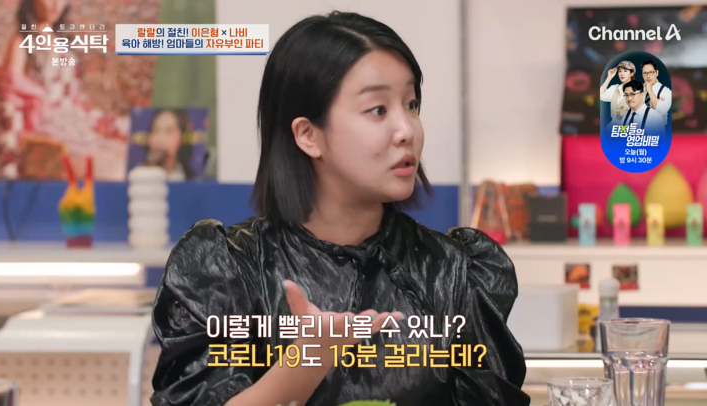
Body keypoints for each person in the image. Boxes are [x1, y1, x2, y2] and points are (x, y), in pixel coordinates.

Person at [150, 11, 530, 406]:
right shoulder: (225, 270)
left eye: (411, 104)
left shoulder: (455, 271)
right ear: (308, 135)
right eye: (378, 110)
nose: (407, 130)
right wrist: (307, 360)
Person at [142, 108, 196, 181]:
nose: (161, 137)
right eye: (156, 130)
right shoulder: (137, 174)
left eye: (169, 131)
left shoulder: (191, 178)